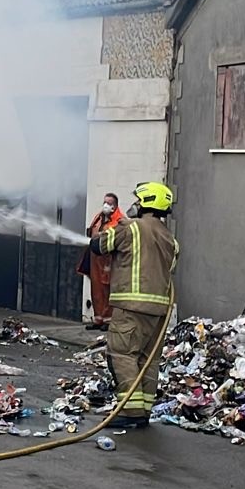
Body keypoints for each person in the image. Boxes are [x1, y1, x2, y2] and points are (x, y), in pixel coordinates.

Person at [89, 181, 177, 428]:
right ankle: (143, 411)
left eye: (139, 200)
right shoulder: (169, 238)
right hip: (160, 311)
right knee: (148, 359)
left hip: (131, 306)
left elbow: (100, 246)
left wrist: (99, 233)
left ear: (147, 203)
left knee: (122, 354)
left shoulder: (131, 228)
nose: (135, 205)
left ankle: (129, 411)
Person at [78, 192, 123, 327]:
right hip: (95, 259)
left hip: (109, 260)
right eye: (104, 202)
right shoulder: (99, 217)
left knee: (107, 290)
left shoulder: (119, 220)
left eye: (109, 203)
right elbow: (92, 232)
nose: (105, 205)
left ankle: (108, 320)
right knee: (96, 289)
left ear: (115, 206)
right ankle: (98, 319)